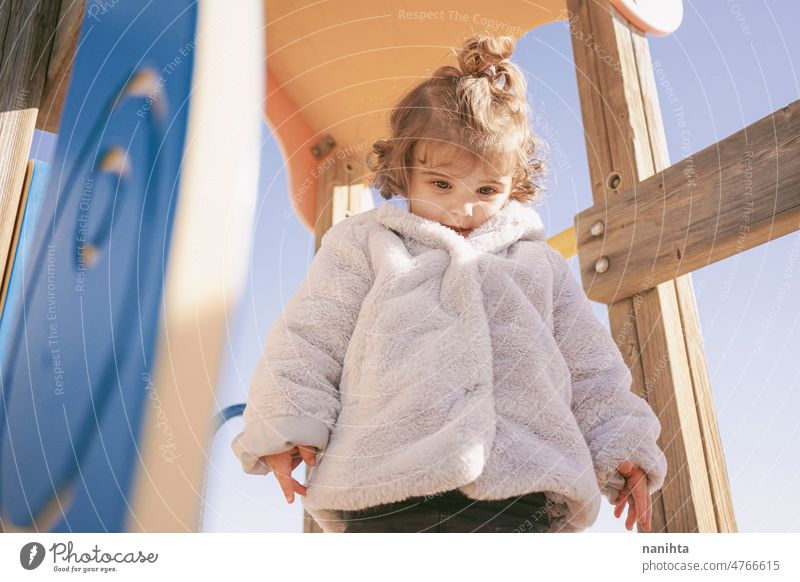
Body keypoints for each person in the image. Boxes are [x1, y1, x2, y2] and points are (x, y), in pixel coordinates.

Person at [230, 32, 667, 533]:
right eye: (441, 184)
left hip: (520, 490)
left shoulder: (537, 265)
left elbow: (590, 367)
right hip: (386, 487)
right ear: (405, 170)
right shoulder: (367, 245)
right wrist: (289, 422)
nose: (463, 207)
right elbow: (310, 337)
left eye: (486, 190)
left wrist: (622, 444)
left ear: (513, 187)